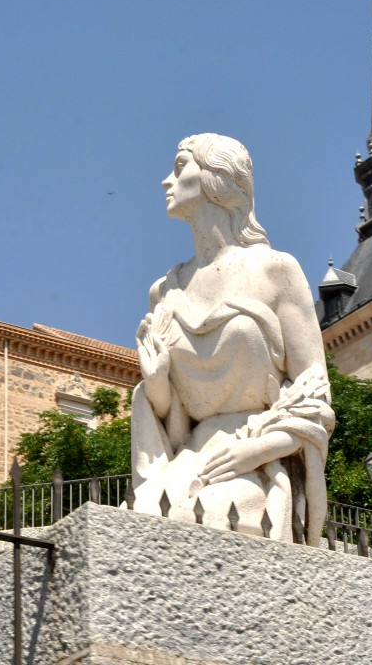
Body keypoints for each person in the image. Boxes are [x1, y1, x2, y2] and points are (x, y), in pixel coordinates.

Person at [131, 133, 334, 544]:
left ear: (216, 178)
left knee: (193, 514)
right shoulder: (164, 291)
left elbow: (315, 395)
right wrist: (156, 385)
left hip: (257, 460)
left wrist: (256, 452)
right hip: (192, 458)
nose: (165, 182)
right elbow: (174, 422)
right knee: (148, 511)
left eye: (179, 167)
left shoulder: (275, 271)